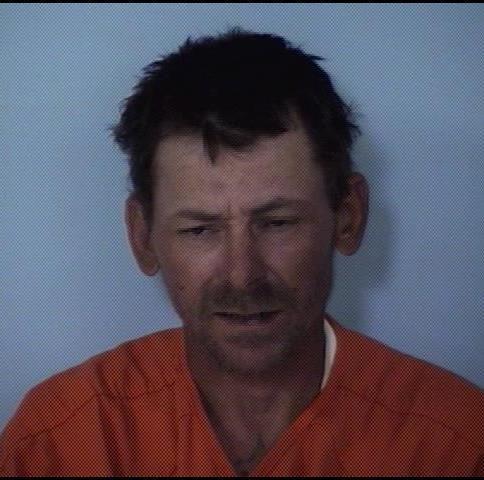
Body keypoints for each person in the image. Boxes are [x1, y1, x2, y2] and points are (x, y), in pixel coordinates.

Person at [1, 28, 482, 477]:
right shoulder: (58, 444)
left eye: (277, 223)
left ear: (348, 217)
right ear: (143, 237)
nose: (241, 275)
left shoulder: (456, 447)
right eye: (199, 230)